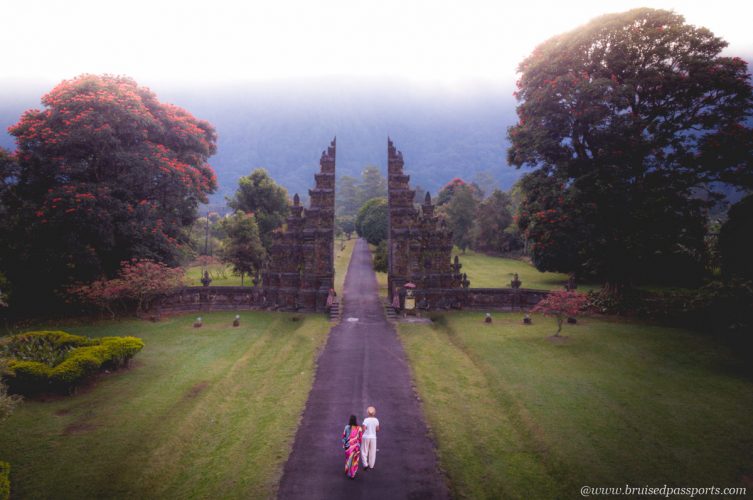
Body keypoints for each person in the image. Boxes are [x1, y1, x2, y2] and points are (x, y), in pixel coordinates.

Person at [342, 414, 363, 479]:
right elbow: (360, 438)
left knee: (348, 458)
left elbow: (343, 436)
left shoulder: (346, 427)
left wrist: (344, 444)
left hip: (348, 447)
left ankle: (347, 469)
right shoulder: (359, 428)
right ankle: (352, 474)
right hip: (355, 447)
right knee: (354, 460)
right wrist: (359, 445)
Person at [361, 406, 380, 470]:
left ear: (368, 413)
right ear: (374, 413)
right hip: (373, 437)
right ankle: (371, 465)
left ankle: (365, 464)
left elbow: (363, 428)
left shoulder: (366, 420)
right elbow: (377, 429)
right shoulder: (376, 420)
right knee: (372, 451)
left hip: (366, 437)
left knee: (364, 451)